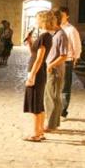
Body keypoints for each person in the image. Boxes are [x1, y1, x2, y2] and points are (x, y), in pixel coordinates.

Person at [23, 11, 55, 142]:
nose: (36, 21)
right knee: (39, 102)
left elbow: (40, 58)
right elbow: (34, 54)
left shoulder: (45, 36)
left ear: (43, 20)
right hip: (38, 71)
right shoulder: (45, 36)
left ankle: (36, 134)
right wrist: (30, 41)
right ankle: (40, 131)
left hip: (37, 72)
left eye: (37, 18)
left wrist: (32, 76)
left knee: (35, 102)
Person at [44, 10, 68, 132]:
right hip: (52, 68)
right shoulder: (56, 34)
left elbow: (64, 55)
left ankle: (51, 125)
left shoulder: (61, 35)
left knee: (52, 97)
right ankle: (54, 123)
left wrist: (51, 65)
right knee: (52, 96)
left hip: (55, 70)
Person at [59, 7, 82, 120]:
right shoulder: (56, 28)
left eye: (62, 15)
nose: (60, 17)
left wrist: (76, 58)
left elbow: (77, 45)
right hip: (55, 61)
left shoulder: (71, 29)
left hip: (66, 61)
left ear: (67, 16)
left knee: (65, 87)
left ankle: (63, 111)